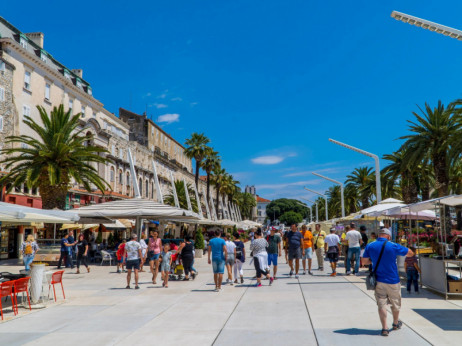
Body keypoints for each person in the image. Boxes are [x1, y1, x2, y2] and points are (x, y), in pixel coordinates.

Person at [362, 228, 414, 336]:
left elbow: (364, 262)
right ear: (389, 236)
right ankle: (395, 324)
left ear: (379, 235)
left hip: (378, 280)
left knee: (381, 304)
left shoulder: (370, 246)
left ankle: (384, 328)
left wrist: (374, 260)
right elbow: (410, 253)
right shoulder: (393, 245)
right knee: (395, 303)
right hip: (393, 280)